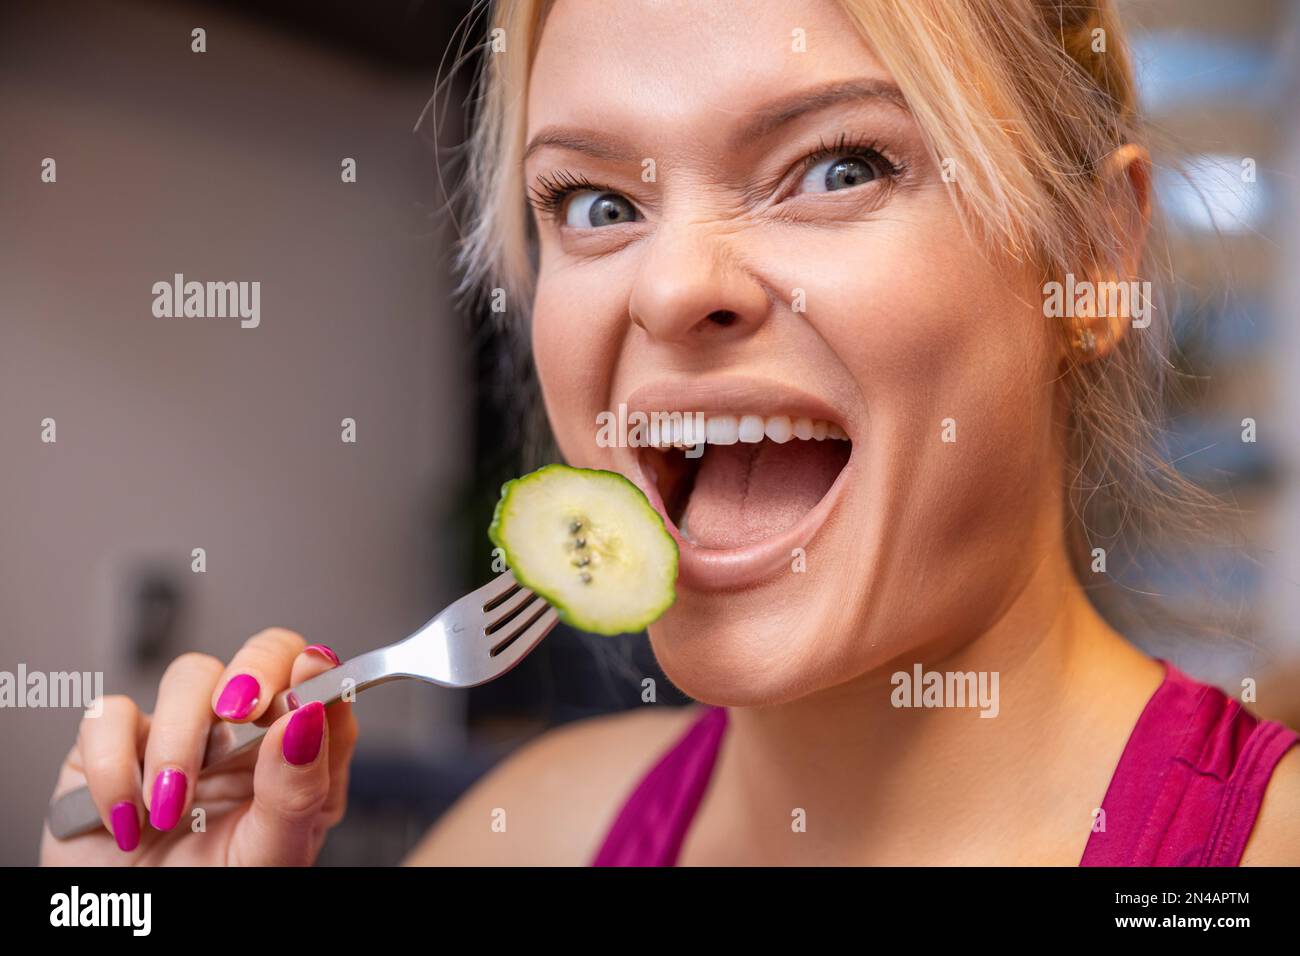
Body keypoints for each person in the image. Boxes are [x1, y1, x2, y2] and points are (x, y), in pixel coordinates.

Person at [42, 0, 1300, 867]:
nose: (665, 285)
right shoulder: (525, 832)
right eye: (595, 200)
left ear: (1089, 256)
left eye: (838, 165)